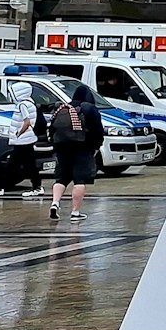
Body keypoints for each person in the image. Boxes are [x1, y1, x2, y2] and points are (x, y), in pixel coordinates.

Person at [49, 83, 103, 224]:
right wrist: (95, 147)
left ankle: (55, 203)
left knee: (61, 177)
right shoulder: (89, 108)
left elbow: (52, 130)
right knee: (80, 180)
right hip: (82, 147)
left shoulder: (62, 107)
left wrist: (56, 146)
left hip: (61, 146)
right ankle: (75, 212)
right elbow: (98, 131)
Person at [3, 79, 42, 196]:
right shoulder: (31, 103)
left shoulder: (22, 105)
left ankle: (3, 187)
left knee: (14, 163)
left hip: (22, 140)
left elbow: (26, 121)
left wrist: (18, 134)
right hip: (28, 139)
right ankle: (36, 186)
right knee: (28, 164)